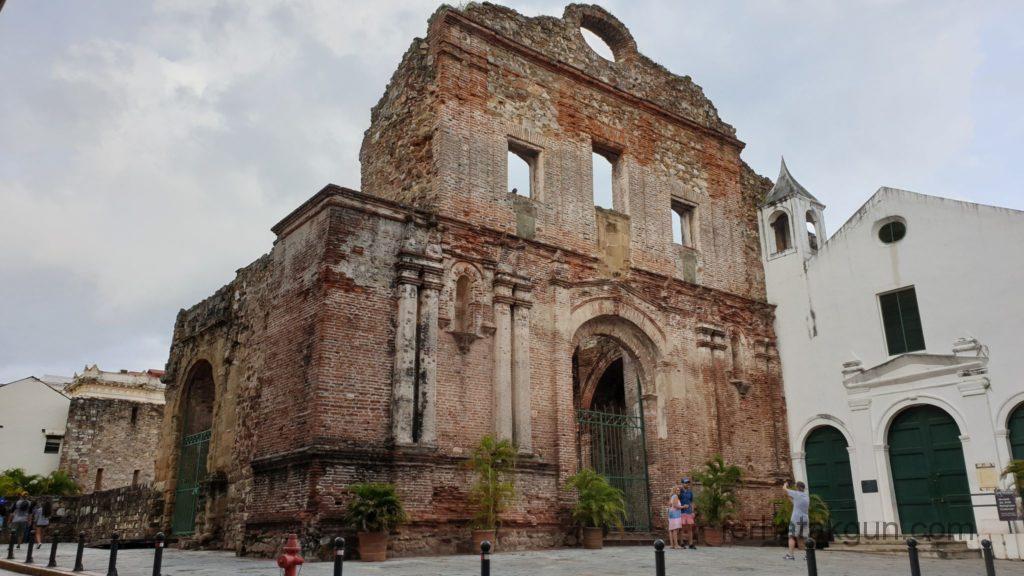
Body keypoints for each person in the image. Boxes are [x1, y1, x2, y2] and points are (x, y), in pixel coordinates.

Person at [782, 480, 810, 561]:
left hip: (796, 519)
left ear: (797, 487)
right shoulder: (806, 496)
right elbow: (794, 502)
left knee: (791, 536)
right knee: (805, 537)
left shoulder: (796, 494)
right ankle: (808, 556)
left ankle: (791, 555)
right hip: (805, 518)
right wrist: (788, 496)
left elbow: (784, 489)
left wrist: (785, 484)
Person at [678, 477, 696, 549]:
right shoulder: (679, 492)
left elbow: (691, 502)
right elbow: (676, 501)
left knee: (690, 528)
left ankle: (690, 544)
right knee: (681, 529)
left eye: (688, 482)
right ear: (682, 483)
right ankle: (681, 543)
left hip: (689, 512)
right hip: (681, 512)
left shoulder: (690, 492)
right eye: (685, 483)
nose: (687, 484)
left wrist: (693, 511)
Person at [667, 482, 683, 549]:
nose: (678, 491)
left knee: (671, 529)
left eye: (679, 490)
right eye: (677, 490)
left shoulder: (672, 497)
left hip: (671, 514)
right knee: (675, 530)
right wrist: (683, 507)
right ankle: (676, 545)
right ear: (674, 491)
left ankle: (672, 545)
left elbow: (670, 505)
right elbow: (676, 506)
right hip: (675, 515)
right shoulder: (675, 496)